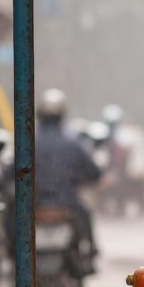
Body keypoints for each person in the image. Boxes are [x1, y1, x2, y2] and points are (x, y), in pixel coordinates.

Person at [35, 88, 101, 269]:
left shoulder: (29, 141)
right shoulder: (73, 142)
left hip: (34, 205)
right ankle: (90, 254)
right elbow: (93, 171)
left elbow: (9, 172)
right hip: (67, 204)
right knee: (85, 216)